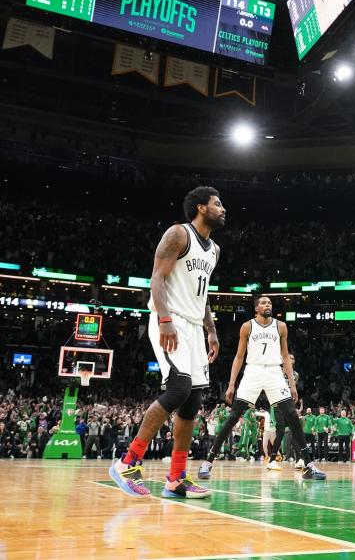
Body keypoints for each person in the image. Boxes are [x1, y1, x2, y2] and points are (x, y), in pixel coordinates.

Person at [108, 187, 224, 499]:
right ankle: (128, 461)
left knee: (192, 404)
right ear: (201, 207)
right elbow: (157, 278)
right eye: (217, 203)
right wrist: (164, 320)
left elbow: (203, 295)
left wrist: (211, 330)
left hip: (194, 327)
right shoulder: (178, 234)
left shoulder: (213, 250)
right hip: (170, 320)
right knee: (178, 388)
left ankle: (176, 478)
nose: (223, 208)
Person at [196, 296, 325, 480]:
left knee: (293, 416)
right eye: (264, 303)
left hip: (274, 372)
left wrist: (292, 384)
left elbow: (285, 356)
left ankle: (308, 465)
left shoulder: (280, 326)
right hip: (253, 371)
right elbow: (239, 356)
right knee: (233, 416)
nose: (268, 305)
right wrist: (232, 383)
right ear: (256, 308)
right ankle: (208, 462)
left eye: (270, 303)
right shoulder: (247, 326)